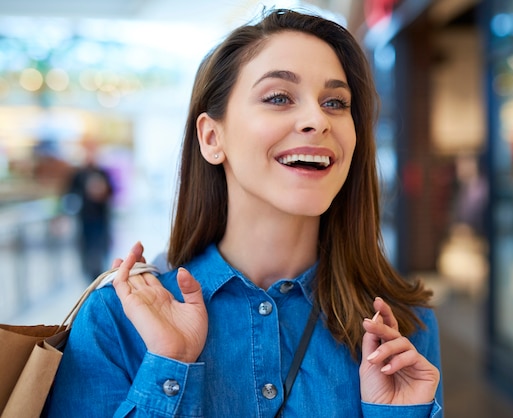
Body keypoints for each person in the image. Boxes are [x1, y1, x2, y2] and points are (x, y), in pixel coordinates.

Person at [45, 9, 443, 417]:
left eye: (336, 102)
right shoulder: (116, 320)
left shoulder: (401, 329)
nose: (317, 120)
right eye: (278, 98)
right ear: (212, 137)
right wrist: (169, 364)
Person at [63, 140, 114, 282]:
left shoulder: (102, 173)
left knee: (100, 246)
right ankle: (89, 274)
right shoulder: (78, 174)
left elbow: (111, 192)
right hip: (85, 218)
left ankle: (99, 272)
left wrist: (102, 192)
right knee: (86, 247)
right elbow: (69, 195)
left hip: (101, 218)